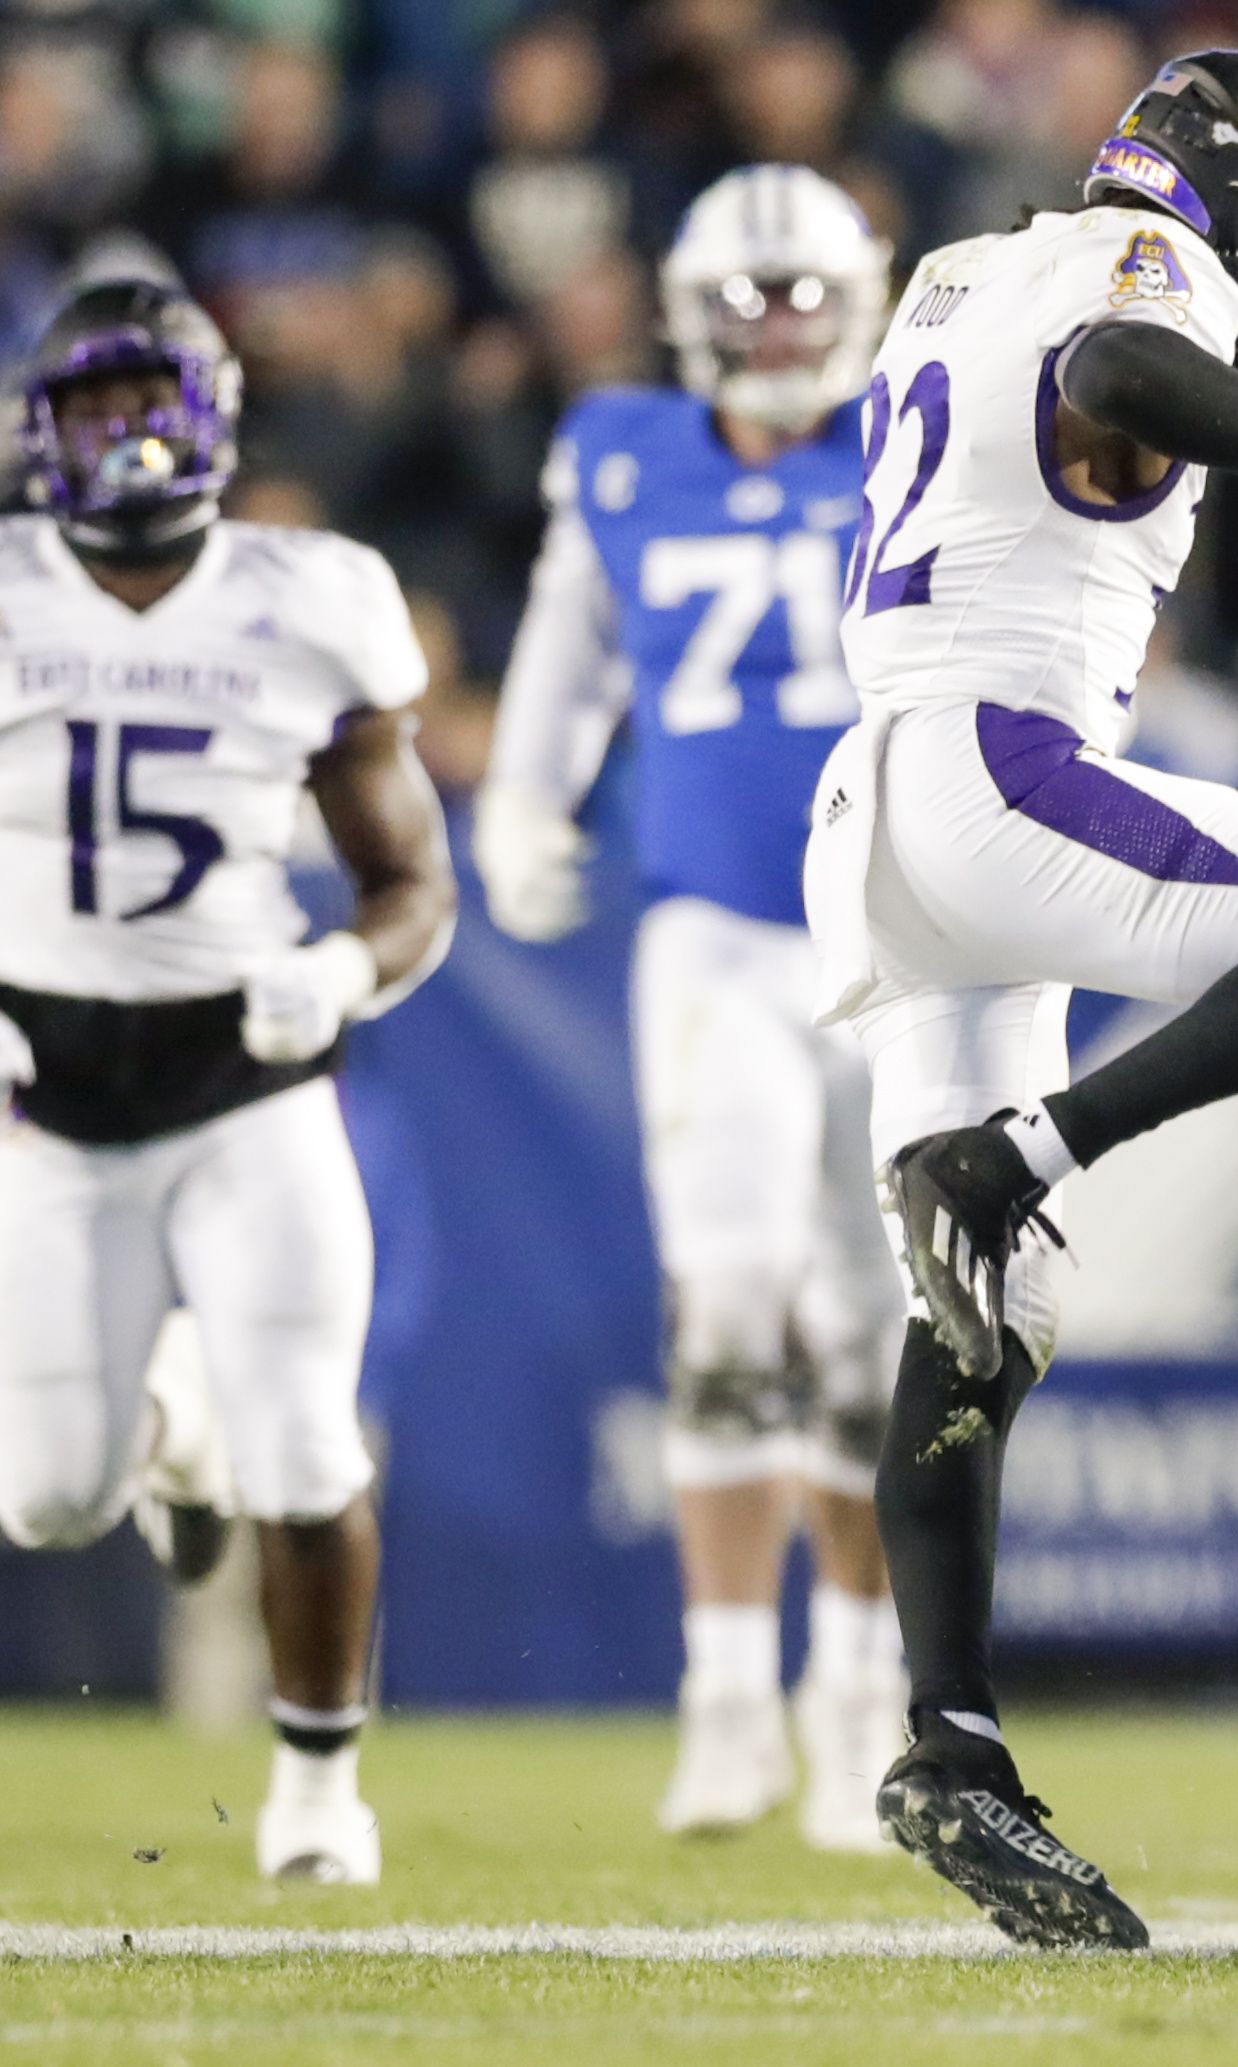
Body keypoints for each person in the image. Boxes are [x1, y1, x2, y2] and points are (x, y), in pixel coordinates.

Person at [803, 52, 1238, 1945]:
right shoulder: (1142, 267)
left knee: (979, 1318)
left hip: (883, 803)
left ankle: (947, 1745)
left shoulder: (954, 267)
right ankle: (1032, 1141)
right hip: (1001, 765)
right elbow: (1116, 378)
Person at [474, 164, 908, 1853]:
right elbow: (571, 645)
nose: (780, 324)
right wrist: (525, 799)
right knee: (726, 1317)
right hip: (717, 932)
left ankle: (855, 1690)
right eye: (753, 294)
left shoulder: (916, 437)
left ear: (863, 295)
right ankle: (724, 1691)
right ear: (688, 306)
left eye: (808, 292)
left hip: (892, 936)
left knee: (874, 1350)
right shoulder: (621, 447)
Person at [0, 279, 455, 1881]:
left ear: (212, 413)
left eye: (148, 399)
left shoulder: (308, 592)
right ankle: (172, 1432)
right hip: (46, 1088)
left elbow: (411, 880)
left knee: (311, 1449)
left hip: (249, 1079)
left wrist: (337, 969)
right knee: (48, 1498)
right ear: (40, 428)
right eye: (92, 404)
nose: (123, 435)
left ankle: (320, 1795)